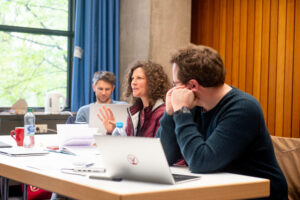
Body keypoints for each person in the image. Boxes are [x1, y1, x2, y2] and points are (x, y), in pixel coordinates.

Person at [156, 45, 288, 199]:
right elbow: (164, 157)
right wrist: (170, 113)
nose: (173, 90)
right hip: (220, 191)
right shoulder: (193, 104)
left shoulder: (243, 108)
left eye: (175, 84)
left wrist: (181, 112)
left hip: (257, 195)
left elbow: (201, 162)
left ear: (192, 86)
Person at [98, 60, 170, 137]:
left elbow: (158, 146)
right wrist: (113, 131)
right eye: (132, 78)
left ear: (153, 81)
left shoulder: (162, 112)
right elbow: (127, 144)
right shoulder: (135, 111)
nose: (133, 82)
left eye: (139, 78)